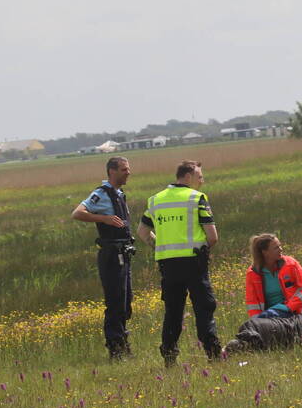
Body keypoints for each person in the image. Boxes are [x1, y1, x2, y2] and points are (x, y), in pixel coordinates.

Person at [136, 160, 221, 366]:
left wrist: (160, 246)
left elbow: (142, 232)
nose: (202, 181)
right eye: (200, 176)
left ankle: (169, 356)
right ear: (188, 176)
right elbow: (213, 236)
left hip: (168, 264)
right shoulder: (197, 198)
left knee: (173, 311)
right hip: (194, 262)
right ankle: (213, 354)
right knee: (204, 308)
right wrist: (204, 251)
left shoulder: (155, 200)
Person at [71, 156, 136, 360]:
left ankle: (123, 344)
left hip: (123, 253)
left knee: (126, 302)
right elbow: (78, 213)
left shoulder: (118, 193)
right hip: (111, 255)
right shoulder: (102, 193)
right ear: (112, 171)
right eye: (124, 169)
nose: (128, 172)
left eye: (128, 169)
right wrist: (104, 218)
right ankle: (116, 350)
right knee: (116, 302)